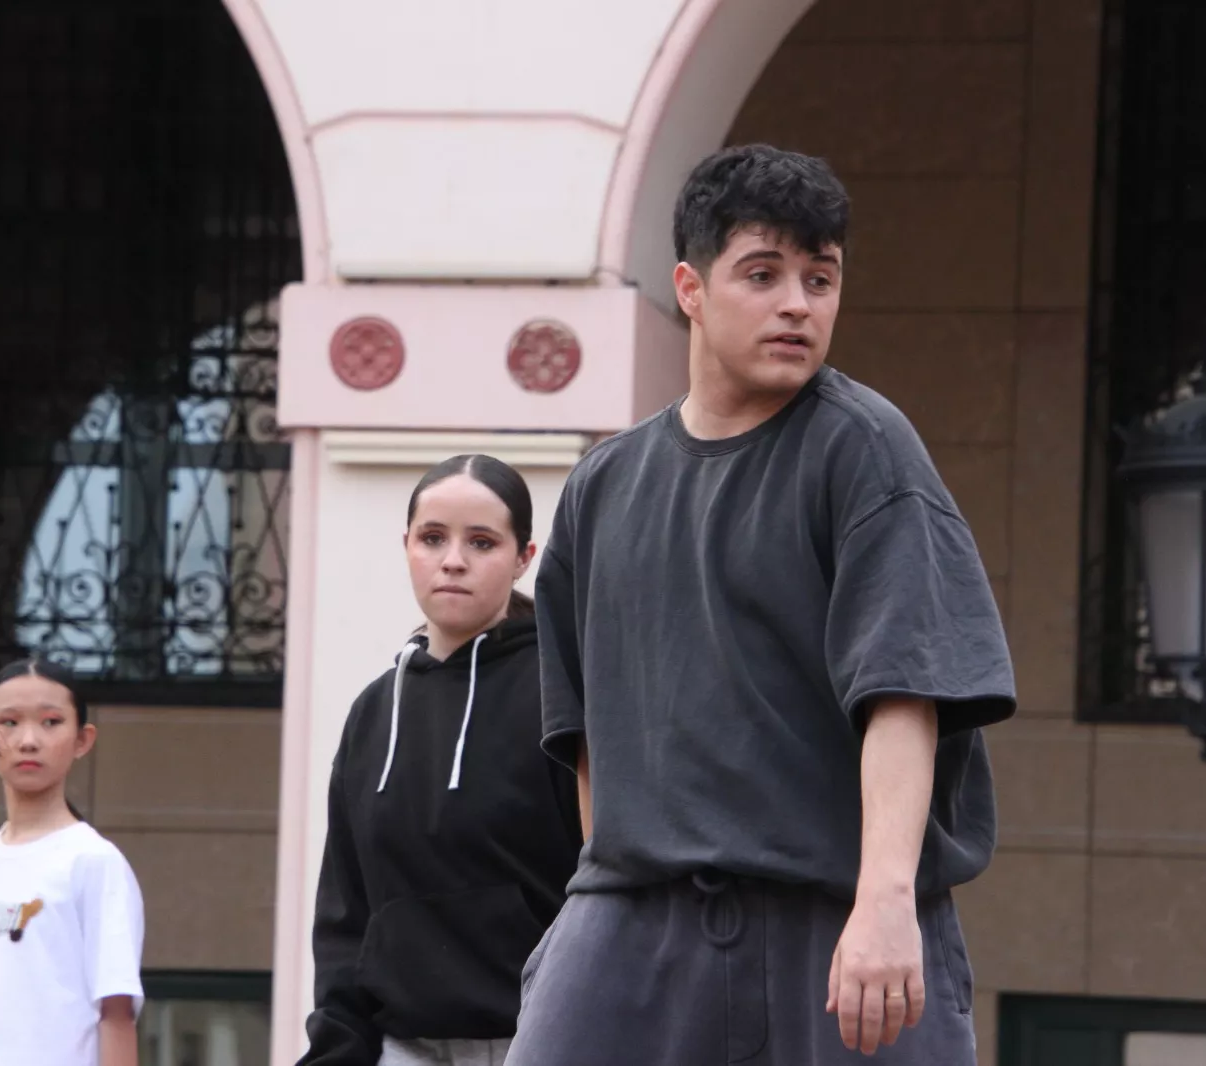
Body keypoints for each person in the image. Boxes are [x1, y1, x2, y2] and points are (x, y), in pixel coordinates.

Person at [506, 144, 1017, 1066]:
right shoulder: (602, 487)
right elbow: (586, 742)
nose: (797, 304)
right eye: (762, 274)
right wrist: (597, 910)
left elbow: (906, 695)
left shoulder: (865, 450)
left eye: (821, 279)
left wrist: (885, 903)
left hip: (837, 921)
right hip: (633, 923)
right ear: (691, 289)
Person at [299, 455, 583, 1066]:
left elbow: (604, 883)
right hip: (400, 1048)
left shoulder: (563, 696)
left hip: (541, 1043)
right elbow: (345, 912)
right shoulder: (374, 712)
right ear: (406, 546)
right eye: (433, 538)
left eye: (481, 542)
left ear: (524, 557)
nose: (453, 560)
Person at [0, 658, 145, 1066]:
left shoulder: (95, 862)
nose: (28, 740)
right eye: (9, 722)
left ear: (82, 740)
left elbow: (115, 1013)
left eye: (51, 722)